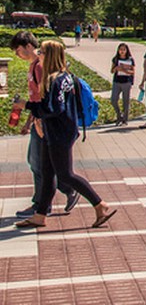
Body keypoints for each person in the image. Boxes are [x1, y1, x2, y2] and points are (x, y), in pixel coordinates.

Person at [16, 40, 116, 229]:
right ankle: (40, 215)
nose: (39, 54)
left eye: (42, 52)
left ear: (50, 55)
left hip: (59, 133)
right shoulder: (63, 77)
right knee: (47, 174)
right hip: (55, 132)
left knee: (66, 174)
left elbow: (53, 108)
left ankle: (100, 205)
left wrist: (26, 105)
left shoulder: (56, 79)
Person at [9, 31, 79, 218]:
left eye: (18, 50)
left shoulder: (40, 68)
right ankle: (53, 198)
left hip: (46, 123)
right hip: (40, 120)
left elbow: (45, 100)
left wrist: (37, 120)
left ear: (28, 47)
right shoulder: (35, 66)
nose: (17, 55)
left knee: (41, 165)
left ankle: (43, 203)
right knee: (43, 165)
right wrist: (29, 121)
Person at [110, 43, 135, 126]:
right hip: (117, 81)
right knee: (113, 100)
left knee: (126, 101)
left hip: (126, 82)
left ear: (126, 50)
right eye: (120, 49)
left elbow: (133, 72)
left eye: (124, 50)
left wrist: (125, 71)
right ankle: (119, 115)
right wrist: (116, 68)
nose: (122, 51)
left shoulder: (130, 59)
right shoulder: (115, 59)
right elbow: (112, 71)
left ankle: (125, 119)